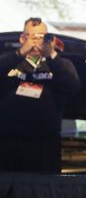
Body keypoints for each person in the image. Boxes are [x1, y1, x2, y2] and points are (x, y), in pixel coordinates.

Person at [0, 17, 80, 173]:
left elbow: (73, 85)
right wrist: (20, 53)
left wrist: (52, 55)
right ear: (23, 38)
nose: (38, 42)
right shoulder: (10, 61)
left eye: (43, 37)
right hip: (7, 145)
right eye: (34, 37)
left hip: (44, 147)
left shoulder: (58, 65)